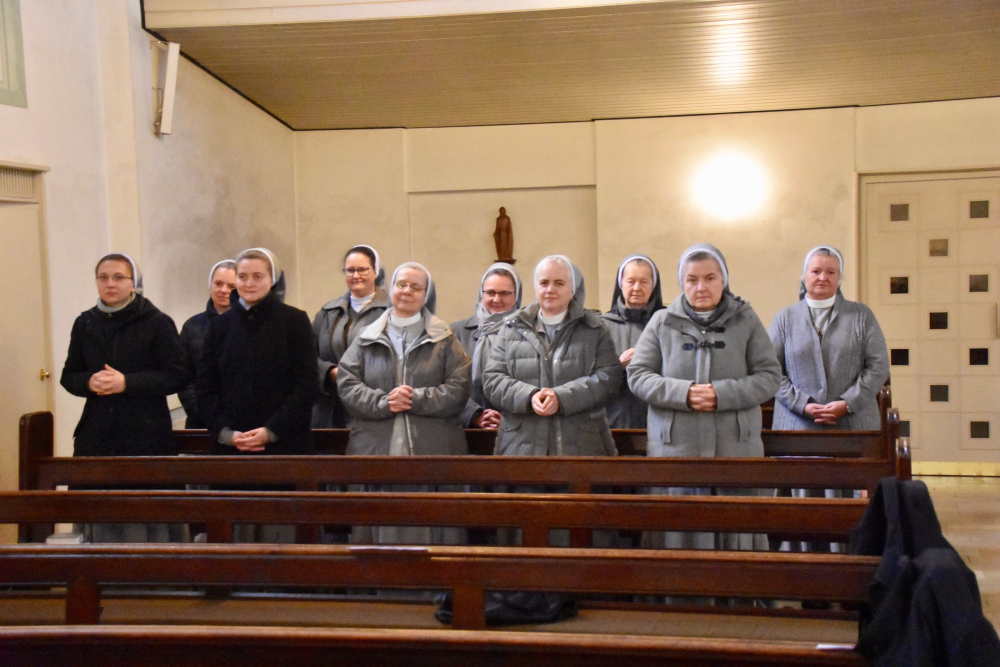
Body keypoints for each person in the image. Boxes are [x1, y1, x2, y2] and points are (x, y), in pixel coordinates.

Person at [627, 244, 781, 556]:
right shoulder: (662, 322)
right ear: (681, 282)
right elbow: (638, 375)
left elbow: (769, 376)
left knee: (736, 532)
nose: (701, 287)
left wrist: (720, 394)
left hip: (735, 450)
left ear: (724, 280)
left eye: (710, 278)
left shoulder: (746, 320)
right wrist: (683, 393)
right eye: (692, 279)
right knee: (678, 530)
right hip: (675, 450)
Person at [337, 261, 471, 545]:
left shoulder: (445, 339)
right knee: (374, 528)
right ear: (392, 289)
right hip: (374, 450)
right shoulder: (366, 337)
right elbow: (347, 385)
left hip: (432, 452)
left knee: (432, 527)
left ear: (426, 295)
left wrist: (415, 399)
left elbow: (458, 389)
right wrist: (384, 402)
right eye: (401, 284)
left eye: (416, 287)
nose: (407, 291)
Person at [60, 252, 188, 542]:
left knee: (144, 512)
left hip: (145, 434)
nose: (110, 283)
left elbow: (178, 375)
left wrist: (126, 383)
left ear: (133, 283)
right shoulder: (85, 323)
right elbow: (69, 375)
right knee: (97, 510)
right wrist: (89, 381)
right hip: (97, 435)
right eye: (103, 277)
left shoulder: (157, 322)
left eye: (118, 277)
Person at [769, 245, 889, 552]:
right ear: (804, 276)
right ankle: (802, 565)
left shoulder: (861, 316)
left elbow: (878, 367)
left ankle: (849, 564)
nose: (823, 277)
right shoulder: (785, 318)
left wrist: (847, 403)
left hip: (851, 428)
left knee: (847, 503)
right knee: (803, 507)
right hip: (798, 430)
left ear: (840, 278)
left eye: (831, 272)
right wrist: (803, 404)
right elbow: (770, 370)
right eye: (816, 271)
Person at [483, 255, 621, 457]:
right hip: (521, 447)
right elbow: (493, 379)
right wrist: (529, 396)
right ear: (535, 287)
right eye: (544, 283)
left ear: (572, 289)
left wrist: (562, 398)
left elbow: (608, 379)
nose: (550, 289)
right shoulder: (511, 328)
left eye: (559, 283)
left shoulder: (594, 329)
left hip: (582, 446)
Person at [197, 248, 318, 456]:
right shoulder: (219, 326)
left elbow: (306, 386)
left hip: (285, 443)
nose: (249, 283)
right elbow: (206, 387)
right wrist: (226, 433)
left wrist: (271, 431)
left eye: (258, 276)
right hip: (231, 445)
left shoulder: (294, 321)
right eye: (242, 277)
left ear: (272, 279)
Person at [312, 245, 389, 428]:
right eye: (350, 270)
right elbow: (307, 356)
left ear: (376, 271)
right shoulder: (327, 312)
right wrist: (331, 372)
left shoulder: (392, 310)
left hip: (375, 405)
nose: (356, 275)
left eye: (362, 269)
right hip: (331, 409)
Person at [451, 262, 522, 429]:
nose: (496, 299)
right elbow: (449, 383)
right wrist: (475, 415)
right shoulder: (457, 332)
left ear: (516, 296)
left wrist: (507, 418)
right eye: (490, 292)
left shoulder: (527, 332)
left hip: (515, 428)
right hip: (467, 427)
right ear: (481, 294)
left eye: (504, 293)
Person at [599, 254, 664, 429]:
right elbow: (589, 381)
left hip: (658, 423)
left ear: (653, 285)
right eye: (631, 281)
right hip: (613, 423)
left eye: (644, 282)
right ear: (621, 283)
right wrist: (618, 365)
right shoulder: (601, 326)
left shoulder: (666, 324)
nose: (637, 288)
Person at [177, 260, 237, 428]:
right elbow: (183, 375)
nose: (223, 290)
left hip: (242, 422)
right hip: (200, 421)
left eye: (231, 286)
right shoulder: (192, 326)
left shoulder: (250, 325)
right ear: (210, 286)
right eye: (218, 283)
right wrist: (200, 411)